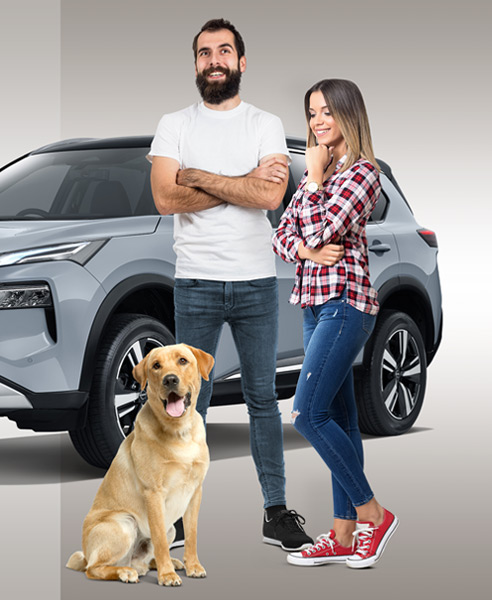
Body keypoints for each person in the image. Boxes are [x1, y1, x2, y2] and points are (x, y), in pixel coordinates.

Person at [149, 18, 313, 552]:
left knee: (262, 398)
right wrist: (240, 182)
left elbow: (270, 197)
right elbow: (166, 200)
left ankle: (275, 511)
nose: (213, 60)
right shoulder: (174, 124)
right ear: (196, 64)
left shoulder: (265, 123)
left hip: (254, 282)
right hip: (194, 279)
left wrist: (196, 175)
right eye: (204, 53)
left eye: (224, 51)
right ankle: (175, 519)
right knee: (186, 403)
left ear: (242, 62)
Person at [272, 79, 397, 568]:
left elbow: (325, 227)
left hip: (346, 303)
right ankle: (343, 535)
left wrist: (315, 184)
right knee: (340, 417)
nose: (318, 121)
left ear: (349, 114)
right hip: (311, 304)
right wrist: (306, 248)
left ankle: (373, 514)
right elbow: (283, 237)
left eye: (327, 111)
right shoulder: (317, 174)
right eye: (311, 113)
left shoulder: (365, 173)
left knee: (307, 413)